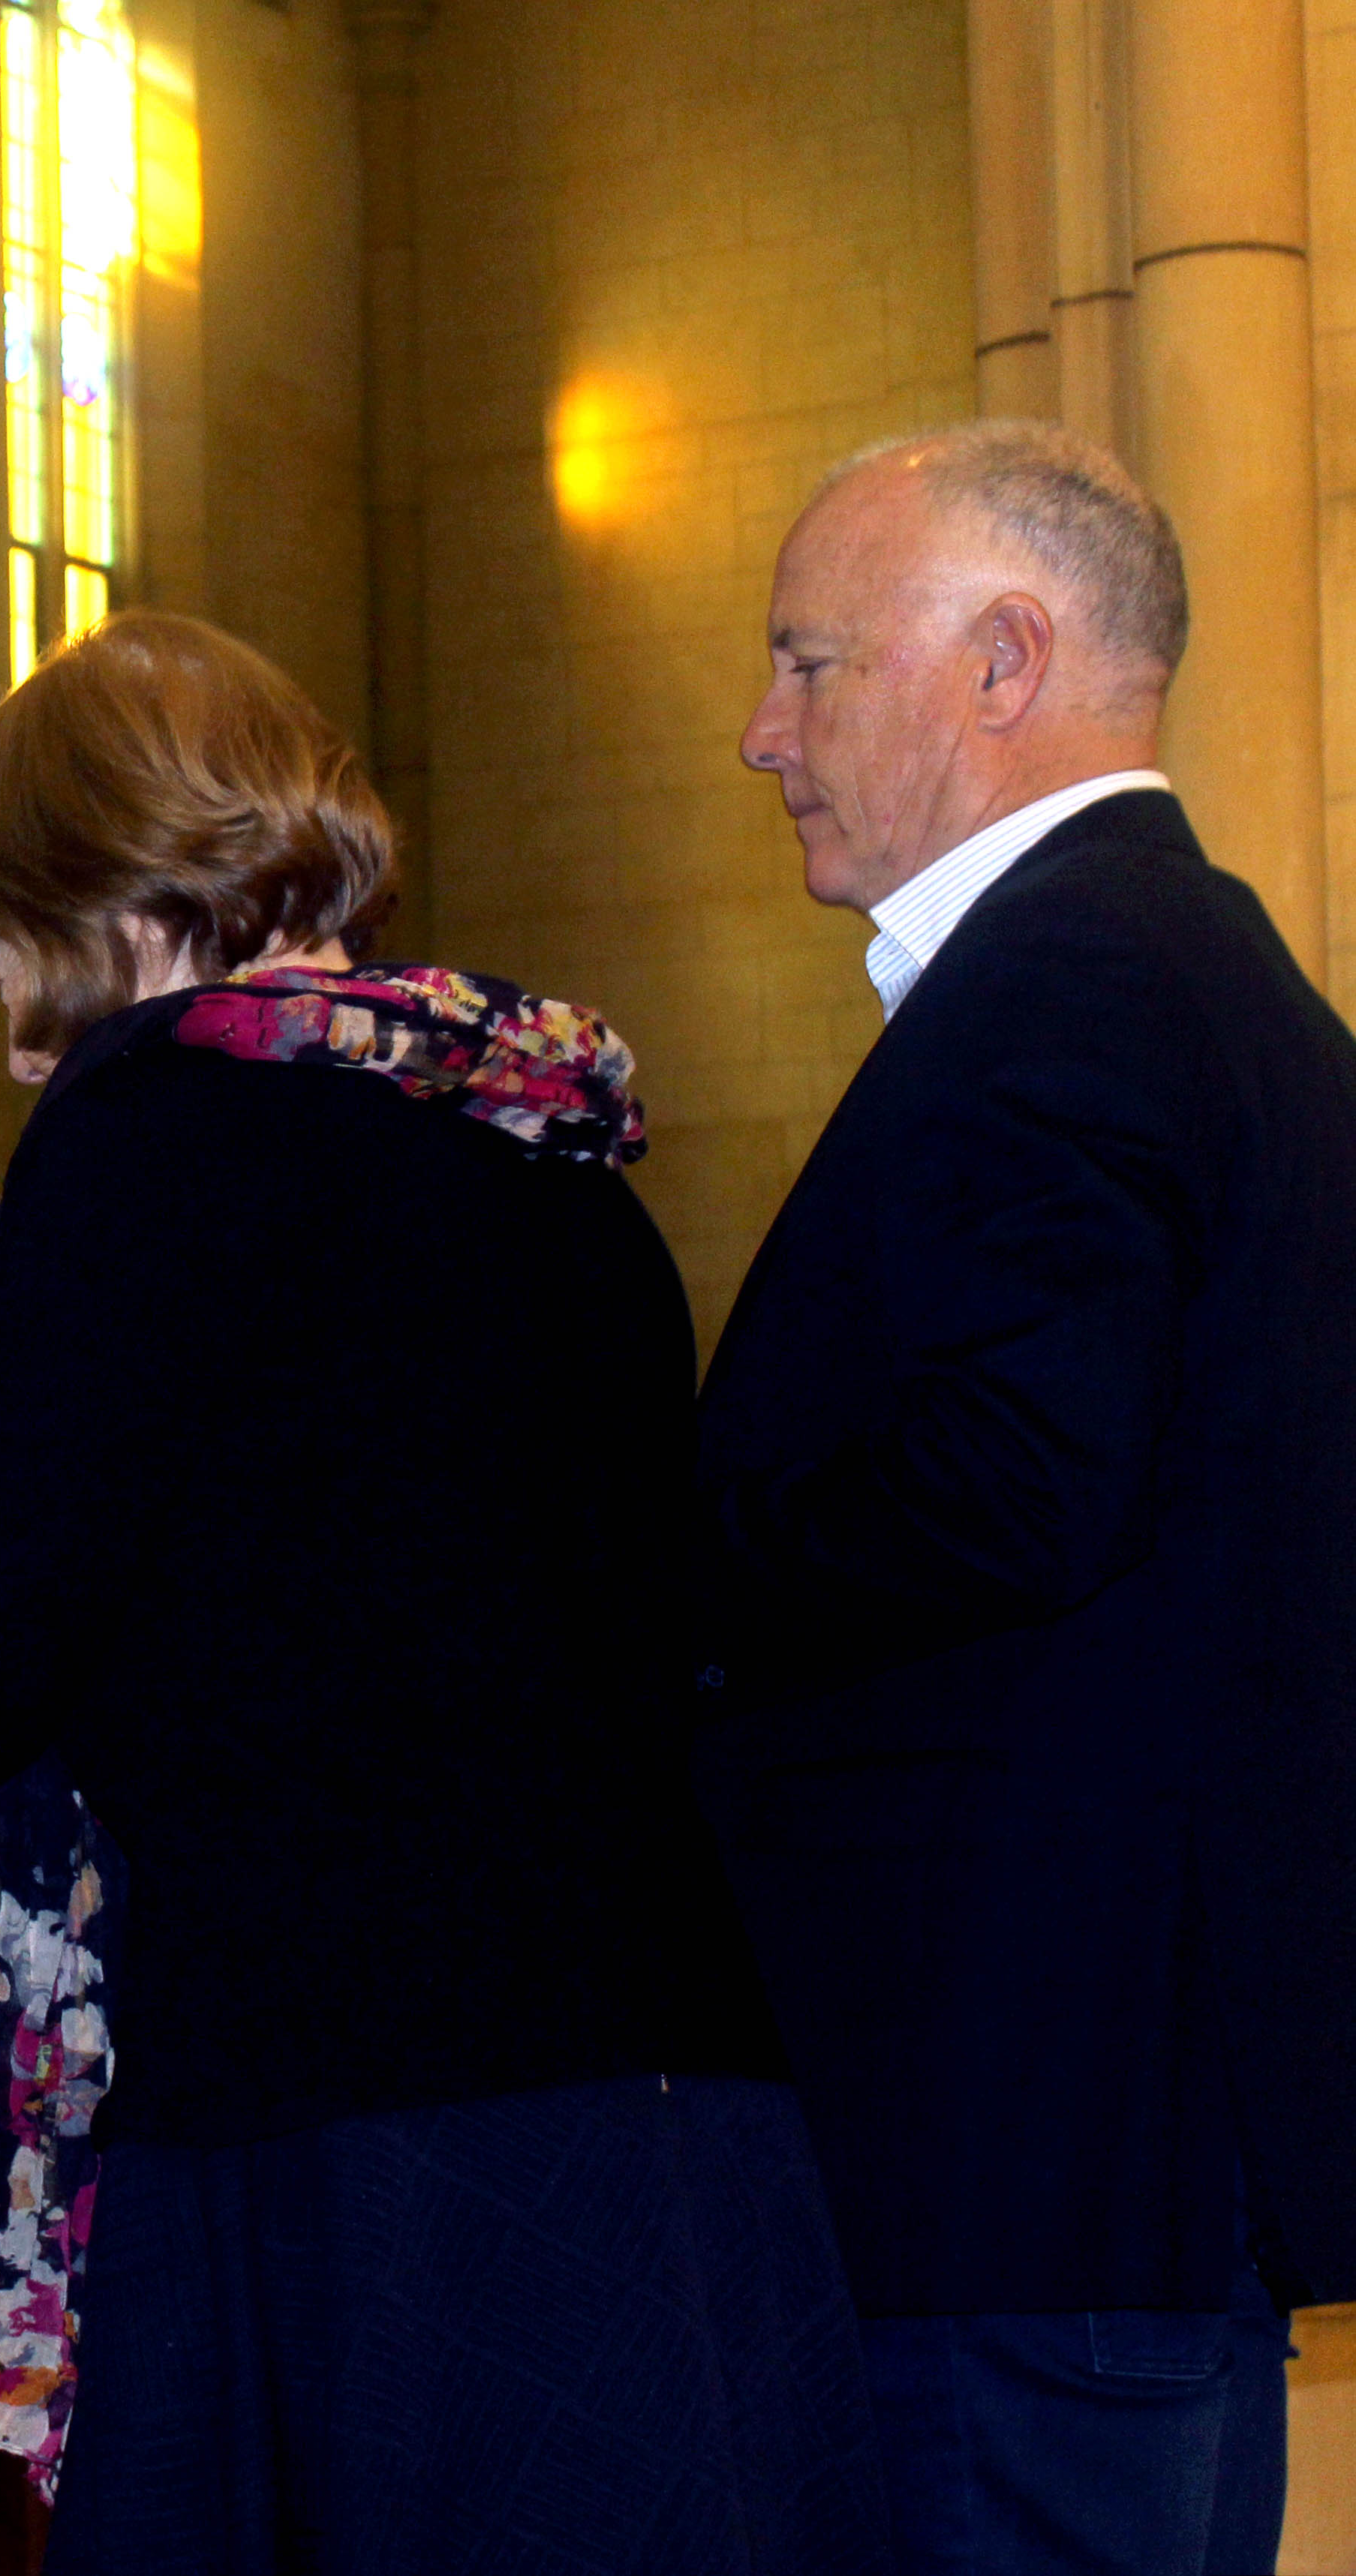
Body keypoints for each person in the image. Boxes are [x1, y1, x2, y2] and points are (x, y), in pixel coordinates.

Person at [0, 610, 885, 2574]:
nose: (20, 1037)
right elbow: (258, 1614)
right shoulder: (543, 1147)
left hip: (355, 2125)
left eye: (14, 959)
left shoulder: (148, 1135)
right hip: (666, 2103)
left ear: (102, 899)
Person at [697, 420, 1356, 2575]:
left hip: (1009, 2130)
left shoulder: (1070, 984)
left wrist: (618, 1549)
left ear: (1004, 658)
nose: (759, 731)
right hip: (1129, 2140)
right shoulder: (1212, 976)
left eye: (808, 663)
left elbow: (1009, 1486)